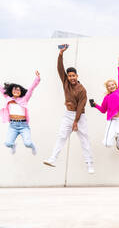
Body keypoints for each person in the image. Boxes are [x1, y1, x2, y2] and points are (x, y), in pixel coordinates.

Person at [44, 44, 94, 174]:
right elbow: (60, 68)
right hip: (68, 115)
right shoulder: (65, 82)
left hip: (79, 116)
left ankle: (89, 163)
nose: (71, 78)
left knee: (84, 140)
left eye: (73, 76)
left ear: (77, 76)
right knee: (61, 136)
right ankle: (53, 158)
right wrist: (61, 54)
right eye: (69, 75)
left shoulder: (82, 89)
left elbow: (81, 106)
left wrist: (76, 122)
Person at [0, 68, 40, 155]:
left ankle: (33, 147)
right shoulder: (8, 98)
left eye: (18, 90)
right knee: (8, 143)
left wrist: (37, 78)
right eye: (14, 89)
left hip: (23, 125)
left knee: (27, 143)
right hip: (13, 125)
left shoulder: (24, 99)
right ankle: (13, 146)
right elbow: (0, 87)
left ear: (21, 92)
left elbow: (31, 89)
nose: (16, 91)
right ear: (11, 91)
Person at [89, 57, 119, 150]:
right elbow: (103, 110)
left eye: (113, 84)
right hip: (112, 121)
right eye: (109, 86)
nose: (112, 86)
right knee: (107, 144)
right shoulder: (107, 98)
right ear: (108, 88)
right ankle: (114, 136)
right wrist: (95, 105)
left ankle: (118, 140)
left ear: (116, 85)